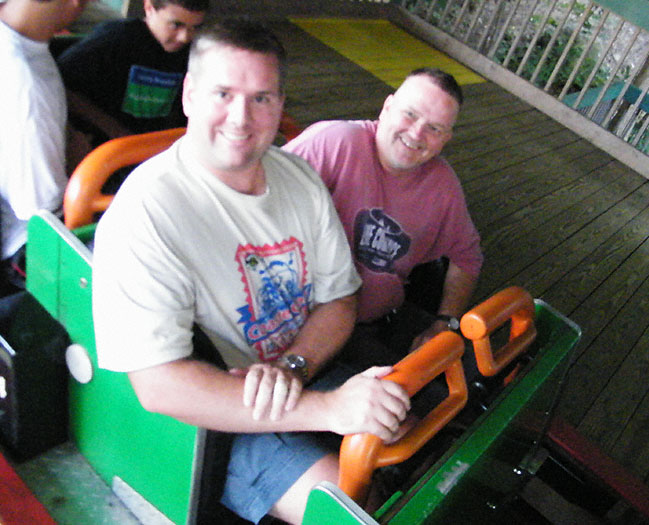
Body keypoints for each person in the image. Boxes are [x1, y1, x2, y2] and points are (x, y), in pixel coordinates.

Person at [92, 20, 411, 525]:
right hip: (219, 420)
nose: (240, 118)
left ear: (281, 105)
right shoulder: (145, 214)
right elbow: (160, 386)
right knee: (352, 510)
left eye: (261, 98)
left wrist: (292, 369)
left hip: (308, 368)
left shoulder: (299, 178)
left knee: (415, 441)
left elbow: (339, 299)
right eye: (223, 93)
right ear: (190, 96)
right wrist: (328, 411)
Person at [284, 68, 483, 368]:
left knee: (472, 380)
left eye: (435, 128)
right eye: (410, 115)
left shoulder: (443, 186)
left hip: (381, 322)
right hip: (296, 325)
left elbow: (467, 256)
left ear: (446, 139)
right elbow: (258, 196)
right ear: (387, 107)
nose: (416, 134)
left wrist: (446, 323)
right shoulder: (334, 142)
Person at [0, 0, 89, 294]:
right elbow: (42, 211)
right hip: (22, 247)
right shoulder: (25, 84)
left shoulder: (24, 44)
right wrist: (79, 160)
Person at [56, 0, 208, 143]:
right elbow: (62, 86)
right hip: (107, 150)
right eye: (175, 25)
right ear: (149, 8)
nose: (185, 37)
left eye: (195, 27)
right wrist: (114, 130)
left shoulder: (193, 51)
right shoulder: (115, 39)